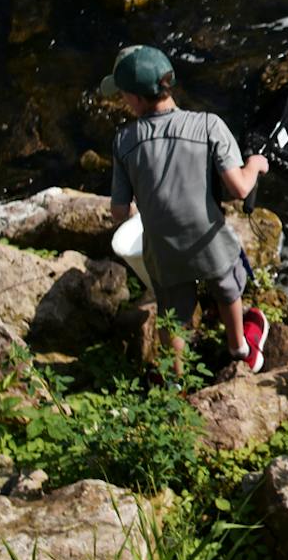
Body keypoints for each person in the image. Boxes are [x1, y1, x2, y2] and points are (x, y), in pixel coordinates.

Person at [103, 45, 272, 371]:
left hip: (164, 251)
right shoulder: (208, 125)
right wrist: (254, 165)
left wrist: (140, 211)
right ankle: (240, 350)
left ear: (136, 99)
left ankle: (176, 381)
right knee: (227, 288)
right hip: (208, 240)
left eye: (123, 95)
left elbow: (120, 212)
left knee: (173, 313)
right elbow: (239, 188)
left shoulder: (124, 141)